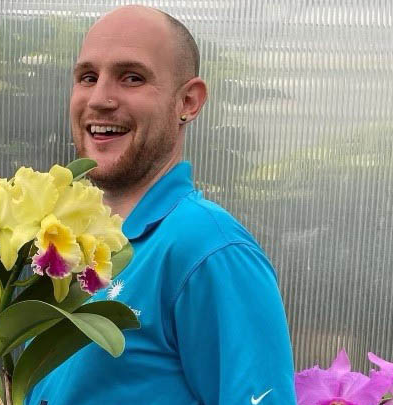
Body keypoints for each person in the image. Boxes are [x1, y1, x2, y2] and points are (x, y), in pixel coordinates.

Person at [25, 5, 296, 405]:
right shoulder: (65, 243)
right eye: (87, 77)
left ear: (188, 101)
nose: (100, 99)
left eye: (132, 78)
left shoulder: (209, 251)